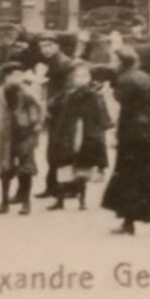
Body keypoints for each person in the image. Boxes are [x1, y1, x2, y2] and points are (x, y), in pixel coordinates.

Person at [100, 47, 150, 234]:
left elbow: (119, 107)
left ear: (123, 62)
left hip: (131, 134)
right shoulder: (145, 77)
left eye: (114, 61)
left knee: (127, 176)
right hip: (147, 131)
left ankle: (129, 222)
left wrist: (108, 94)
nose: (112, 64)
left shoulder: (123, 80)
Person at [45, 62, 109, 211]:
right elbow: (60, 113)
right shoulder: (68, 95)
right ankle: (60, 200)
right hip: (68, 134)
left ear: (90, 78)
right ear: (73, 78)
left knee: (82, 167)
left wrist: (97, 138)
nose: (81, 79)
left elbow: (100, 120)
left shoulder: (94, 96)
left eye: (84, 76)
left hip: (86, 135)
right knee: (64, 165)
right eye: (78, 76)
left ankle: (82, 200)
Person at [0, 63, 43, 215]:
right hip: (7, 137)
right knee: (5, 169)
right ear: (7, 77)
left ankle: (26, 203)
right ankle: (4, 203)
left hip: (25, 135)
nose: (19, 79)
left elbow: (40, 108)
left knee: (26, 169)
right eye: (15, 75)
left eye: (21, 75)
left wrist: (37, 125)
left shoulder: (28, 92)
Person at [31, 33, 76, 198]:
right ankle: (52, 186)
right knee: (52, 150)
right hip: (55, 112)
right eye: (42, 47)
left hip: (64, 113)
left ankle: (66, 188)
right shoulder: (50, 63)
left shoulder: (64, 63)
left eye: (48, 45)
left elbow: (68, 90)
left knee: (62, 151)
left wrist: (49, 104)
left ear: (57, 46)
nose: (45, 50)